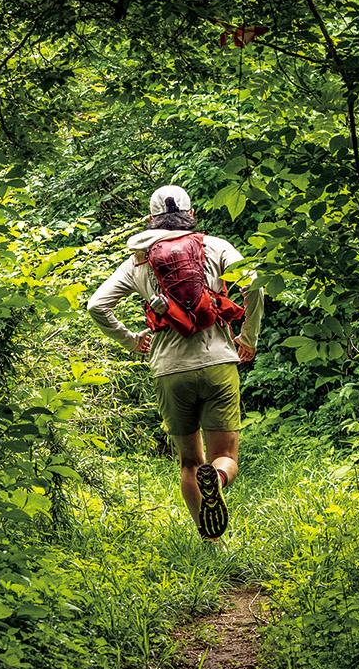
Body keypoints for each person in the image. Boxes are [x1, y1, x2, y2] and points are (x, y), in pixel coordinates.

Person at [86, 183, 264, 540]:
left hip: (169, 370)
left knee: (188, 462)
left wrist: (131, 339)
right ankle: (219, 477)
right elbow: (254, 284)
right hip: (218, 364)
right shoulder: (216, 246)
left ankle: (209, 540)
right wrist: (248, 337)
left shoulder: (139, 259)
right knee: (225, 456)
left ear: (152, 220)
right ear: (191, 215)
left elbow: (96, 306)